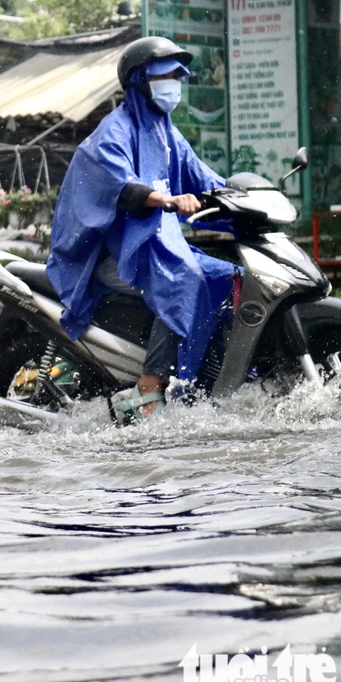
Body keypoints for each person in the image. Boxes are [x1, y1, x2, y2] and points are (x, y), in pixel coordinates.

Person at [45, 36, 237, 420]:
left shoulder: (166, 132)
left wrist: (248, 195)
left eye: (175, 75)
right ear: (138, 82)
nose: (173, 84)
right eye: (162, 75)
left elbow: (202, 177)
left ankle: (208, 376)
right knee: (183, 279)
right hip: (103, 256)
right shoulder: (112, 132)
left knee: (227, 276)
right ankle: (150, 386)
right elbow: (122, 186)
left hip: (151, 247)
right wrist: (166, 199)